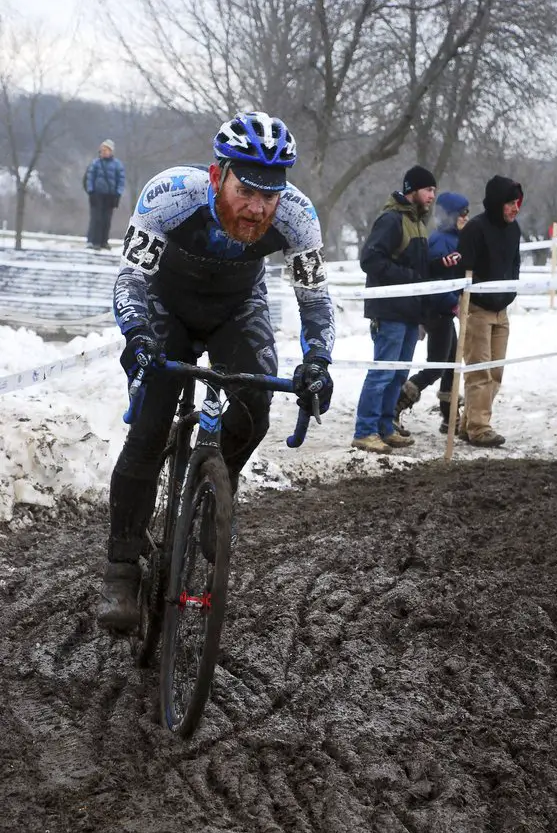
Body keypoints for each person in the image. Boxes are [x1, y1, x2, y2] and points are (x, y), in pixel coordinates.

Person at [98, 111, 335, 633]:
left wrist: (318, 361)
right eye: (246, 191)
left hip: (236, 308)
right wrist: (137, 334)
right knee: (150, 426)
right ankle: (121, 567)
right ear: (215, 176)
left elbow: (314, 299)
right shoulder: (169, 196)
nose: (257, 209)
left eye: (269, 196)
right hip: (167, 306)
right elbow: (131, 278)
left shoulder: (296, 217)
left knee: (255, 408)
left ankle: (211, 493)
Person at [351, 165, 461, 454]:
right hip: (389, 310)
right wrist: (411, 281)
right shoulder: (391, 220)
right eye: (428, 190)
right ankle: (364, 430)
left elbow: (419, 269)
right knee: (382, 373)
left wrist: (439, 265)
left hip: (411, 312)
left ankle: (386, 427)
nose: (432, 196)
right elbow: (371, 261)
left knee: (399, 375)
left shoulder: (418, 222)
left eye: (434, 191)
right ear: (412, 189)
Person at [456, 175, 523, 447]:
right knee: (479, 372)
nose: (515, 208)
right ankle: (480, 428)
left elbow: (515, 263)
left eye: (518, 203)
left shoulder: (515, 229)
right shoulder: (475, 229)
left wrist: (510, 291)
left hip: (501, 310)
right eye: (510, 203)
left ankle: (468, 422)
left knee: (495, 373)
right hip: (477, 309)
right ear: (497, 203)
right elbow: (462, 269)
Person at [394, 191, 469, 433]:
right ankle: (396, 405)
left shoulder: (457, 240)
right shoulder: (439, 242)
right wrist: (452, 302)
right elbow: (433, 281)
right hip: (437, 311)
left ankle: (449, 417)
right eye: (462, 214)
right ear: (452, 215)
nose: (466, 219)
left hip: (446, 311)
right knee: (437, 366)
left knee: (451, 363)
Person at [85, 139, 126, 250]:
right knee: (96, 218)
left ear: (111, 151)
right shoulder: (95, 163)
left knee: (106, 219)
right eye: (102, 150)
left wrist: (118, 194)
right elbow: (90, 178)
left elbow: (121, 180)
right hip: (97, 194)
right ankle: (93, 241)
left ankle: (104, 241)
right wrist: (91, 191)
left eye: (106, 150)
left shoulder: (117, 165)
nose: (104, 152)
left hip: (110, 196)